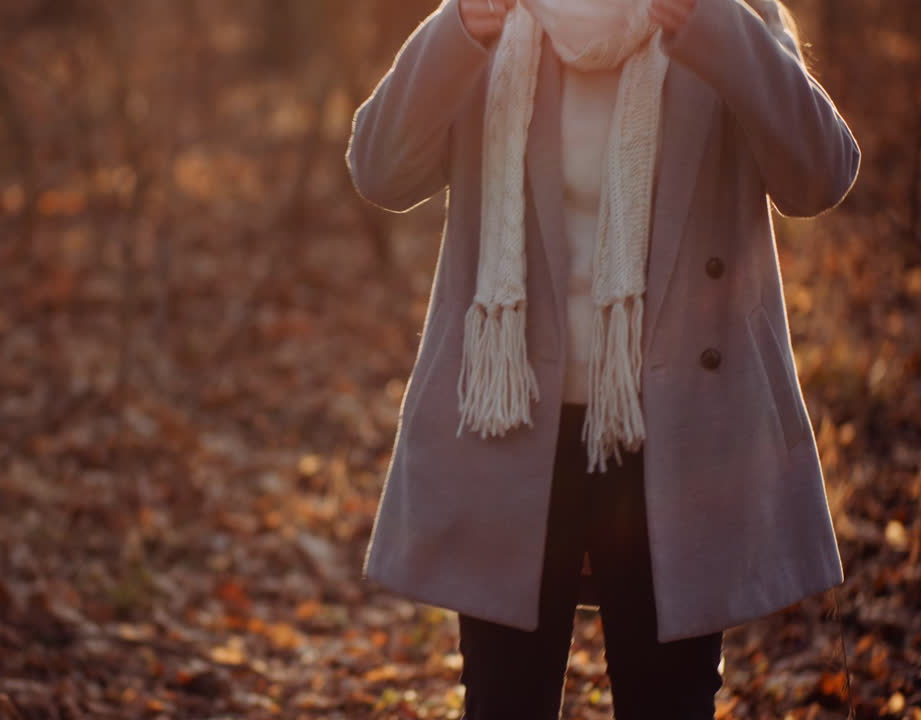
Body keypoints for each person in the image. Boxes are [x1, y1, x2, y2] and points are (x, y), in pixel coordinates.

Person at [344, 0, 860, 718]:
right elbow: (379, 170)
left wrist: (718, 26)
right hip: (514, 426)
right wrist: (457, 28)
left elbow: (821, 178)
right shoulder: (495, 20)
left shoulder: (719, 15)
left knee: (668, 702)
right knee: (503, 701)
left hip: (674, 438)